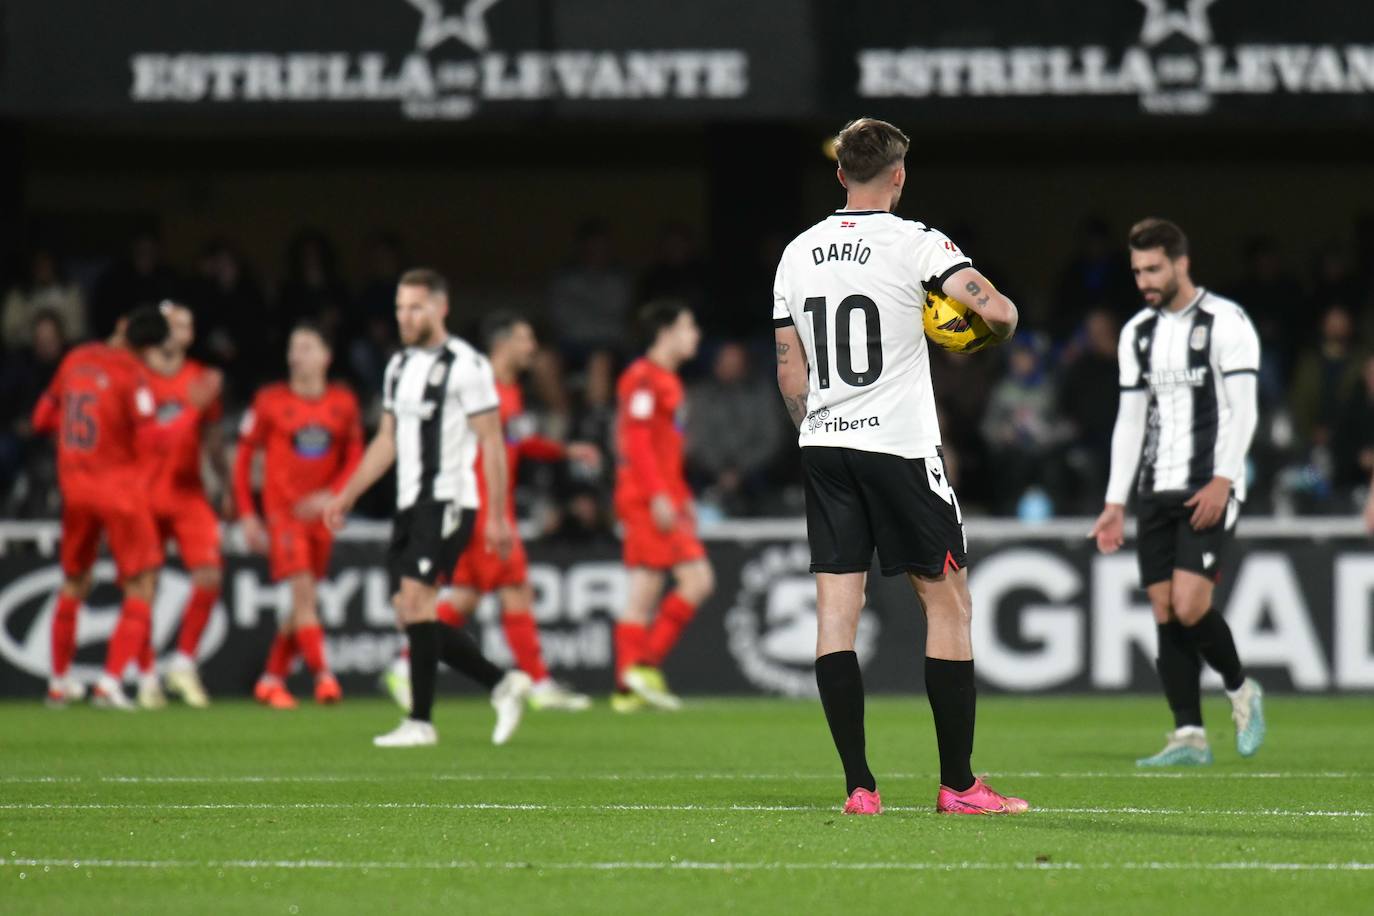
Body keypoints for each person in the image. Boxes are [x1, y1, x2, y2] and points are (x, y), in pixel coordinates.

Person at [772, 117, 1025, 816]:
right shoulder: (919, 242)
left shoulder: (797, 253)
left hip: (823, 448)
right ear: (900, 175)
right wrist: (978, 333)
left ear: (839, 174)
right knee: (947, 605)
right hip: (901, 448)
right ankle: (959, 786)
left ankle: (860, 787)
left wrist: (821, 427)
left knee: (835, 616)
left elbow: (790, 372)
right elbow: (999, 311)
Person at [324, 268, 531, 748]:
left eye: (416, 306)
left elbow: (492, 443)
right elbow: (387, 440)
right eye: (400, 307)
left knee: (417, 603)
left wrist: (497, 516)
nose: (405, 316)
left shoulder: (467, 365)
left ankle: (421, 721)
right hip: (409, 502)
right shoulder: (398, 366)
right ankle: (501, 684)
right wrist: (348, 492)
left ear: (441, 308)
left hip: (450, 500)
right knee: (409, 612)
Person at [1090, 218, 1267, 767]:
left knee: (1192, 605)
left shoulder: (1225, 322)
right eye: (1137, 269)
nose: (1144, 279)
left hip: (1207, 485)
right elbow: (1130, 420)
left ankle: (1241, 689)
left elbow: (1244, 409)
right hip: (1155, 490)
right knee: (1165, 609)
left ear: (1181, 263)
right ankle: (1188, 732)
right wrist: (1115, 502)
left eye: (1154, 268)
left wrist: (1224, 478)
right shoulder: (1137, 332)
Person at [381, 311, 596, 713]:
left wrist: (563, 450)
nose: (532, 348)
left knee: (466, 599)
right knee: (512, 589)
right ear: (503, 344)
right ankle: (539, 683)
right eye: (525, 339)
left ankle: (404, 663)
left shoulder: (506, 392)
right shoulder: (480, 388)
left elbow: (514, 441)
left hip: (486, 507)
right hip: (481, 509)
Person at [32, 306, 218, 708]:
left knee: (73, 583)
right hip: (119, 492)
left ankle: (58, 683)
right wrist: (190, 411)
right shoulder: (133, 375)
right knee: (143, 586)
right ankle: (110, 683)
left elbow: (42, 417)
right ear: (148, 346)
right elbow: (154, 441)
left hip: (74, 489)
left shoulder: (75, 358)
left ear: (121, 326)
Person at [233, 323, 363, 709]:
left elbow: (356, 457)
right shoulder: (269, 400)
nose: (296, 356)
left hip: (321, 517)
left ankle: (271, 679)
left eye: (306, 347)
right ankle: (325, 676)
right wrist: (247, 514)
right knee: (304, 596)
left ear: (326, 356)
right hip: (283, 516)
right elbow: (242, 462)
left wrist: (334, 496)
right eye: (292, 348)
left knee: (300, 603)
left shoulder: (343, 402)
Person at [611, 303, 715, 712]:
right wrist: (657, 495)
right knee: (690, 581)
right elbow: (636, 443)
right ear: (666, 332)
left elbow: (664, 448)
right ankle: (639, 670)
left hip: (663, 495)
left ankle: (630, 685)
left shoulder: (666, 380)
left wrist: (680, 495)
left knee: (649, 588)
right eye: (689, 326)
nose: (696, 335)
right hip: (645, 498)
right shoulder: (641, 379)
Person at [134, 303, 230, 709]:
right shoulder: (137, 377)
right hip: (144, 492)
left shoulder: (199, 378)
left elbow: (211, 438)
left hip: (188, 492)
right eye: (173, 324)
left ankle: (184, 662)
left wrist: (225, 485)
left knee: (209, 575)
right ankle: (145, 674)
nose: (179, 331)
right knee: (145, 586)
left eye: (186, 325)